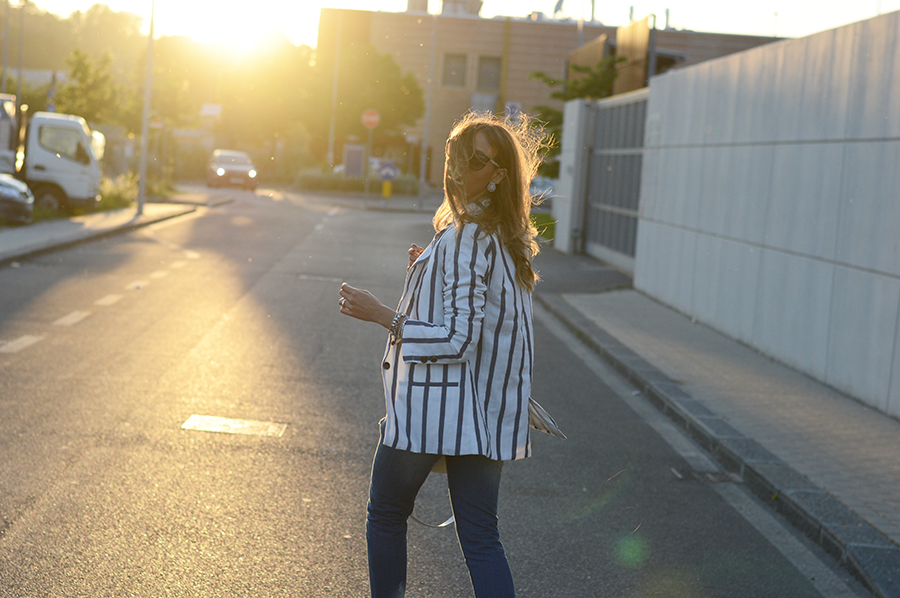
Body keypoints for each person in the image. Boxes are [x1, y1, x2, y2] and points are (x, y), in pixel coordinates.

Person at [338, 111, 547, 598]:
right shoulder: (503, 240)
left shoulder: (467, 237)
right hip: (485, 414)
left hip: (437, 409)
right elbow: (487, 318)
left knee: (386, 513)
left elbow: (458, 339)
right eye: (453, 152)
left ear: (498, 176)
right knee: (480, 537)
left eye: (475, 160)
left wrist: (381, 314)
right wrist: (426, 271)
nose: (457, 167)